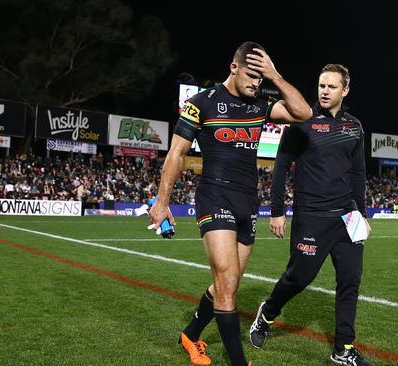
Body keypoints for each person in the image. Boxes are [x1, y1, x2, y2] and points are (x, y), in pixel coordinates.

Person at [148, 41, 312, 366]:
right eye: (251, 75)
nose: (256, 83)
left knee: (230, 284)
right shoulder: (201, 104)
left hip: (247, 202)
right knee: (225, 285)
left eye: (260, 78)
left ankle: (191, 335)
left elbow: (303, 113)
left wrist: (275, 76)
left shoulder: (260, 105)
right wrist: (162, 201)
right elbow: (176, 153)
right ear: (233, 67)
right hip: (214, 195)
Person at [249, 64, 373, 366]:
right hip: (312, 217)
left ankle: (343, 348)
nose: (325, 91)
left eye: (332, 86)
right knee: (298, 279)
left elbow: (358, 173)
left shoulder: (354, 126)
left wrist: (362, 213)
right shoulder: (301, 120)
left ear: (345, 90)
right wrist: (277, 211)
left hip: (348, 217)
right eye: (321, 86)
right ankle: (266, 314)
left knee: (350, 281)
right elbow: (280, 167)